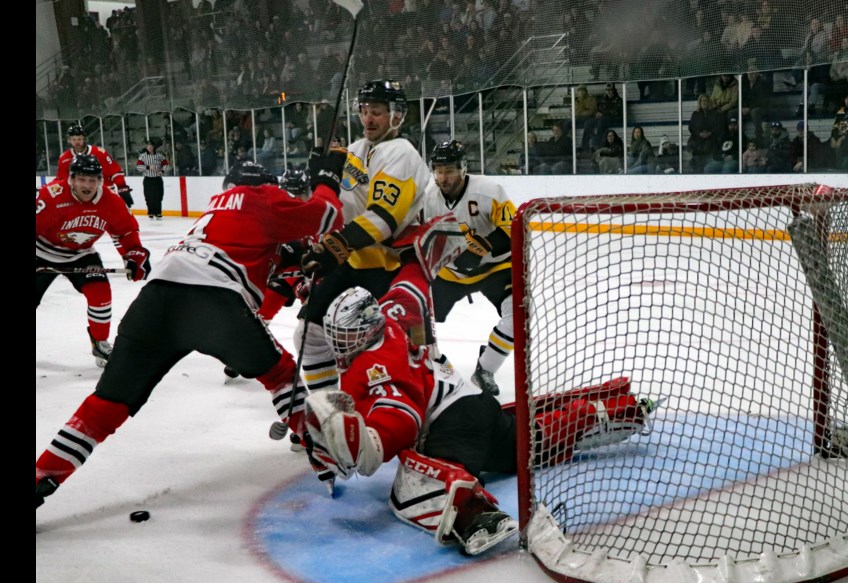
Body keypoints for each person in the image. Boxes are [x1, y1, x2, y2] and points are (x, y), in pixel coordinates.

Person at [35, 155, 349, 510]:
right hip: (212, 301)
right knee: (279, 374)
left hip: (154, 299)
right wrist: (328, 178)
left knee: (108, 402)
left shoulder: (216, 207)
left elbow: (269, 249)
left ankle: (45, 472)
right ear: (263, 185)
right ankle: (320, 447)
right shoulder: (260, 198)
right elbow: (327, 213)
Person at [301, 286, 658, 556]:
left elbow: (403, 418)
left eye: (346, 335)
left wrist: (366, 445)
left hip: (452, 420)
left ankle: (476, 515)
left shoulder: (373, 367)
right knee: (531, 443)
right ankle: (616, 410)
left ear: (366, 328)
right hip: (475, 403)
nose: (339, 344)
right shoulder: (393, 325)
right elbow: (411, 300)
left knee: (422, 480)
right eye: (336, 336)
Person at [295, 80, 435, 399]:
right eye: (365, 111)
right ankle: (330, 405)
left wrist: (334, 248)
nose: (369, 119)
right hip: (355, 262)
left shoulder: (402, 154)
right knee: (309, 332)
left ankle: (422, 400)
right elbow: (336, 202)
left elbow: (382, 218)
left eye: (378, 113)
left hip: (394, 267)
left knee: (411, 347)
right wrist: (322, 175)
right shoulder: (356, 150)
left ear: (396, 116)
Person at [36, 155, 151, 367]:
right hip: (42, 252)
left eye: (92, 180)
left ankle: (99, 342)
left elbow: (125, 232)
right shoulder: (52, 196)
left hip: (81, 253)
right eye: (81, 179)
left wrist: (134, 254)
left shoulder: (111, 201)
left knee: (100, 292)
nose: (87, 185)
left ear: (100, 181)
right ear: (71, 179)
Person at [422, 140, 517, 396]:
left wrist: (481, 248)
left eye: (449, 170)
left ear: (463, 168)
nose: (443, 177)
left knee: (520, 316)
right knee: (417, 322)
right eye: (439, 170)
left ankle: (485, 369)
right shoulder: (427, 198)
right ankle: (423, 370)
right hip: (449, 273)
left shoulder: (489, 190)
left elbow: (514, 229)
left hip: (496, 268)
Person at [56, 124, 134, 208]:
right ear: (69, 140)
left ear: (84, 139)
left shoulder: (99, 153)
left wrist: (122, 187)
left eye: (79, 139)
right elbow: (61, 180)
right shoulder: (64, 158)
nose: (77, 142)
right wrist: (46, 189)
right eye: (74, 139)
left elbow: (115, 171)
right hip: (79, 197)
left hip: (104, 194)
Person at [135, 138, 170, 220]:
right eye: (148, 146)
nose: (149, 147)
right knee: (148, 196)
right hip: (148, 179)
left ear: (153, 147)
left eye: (151, 146)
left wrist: (162, 171)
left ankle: (158, 212)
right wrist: (148, 167)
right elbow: (138, 167)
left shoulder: (159, 156)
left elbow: (166, 164)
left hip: (157, 179)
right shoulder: (142, 156)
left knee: (158, 196)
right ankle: (150, 212)